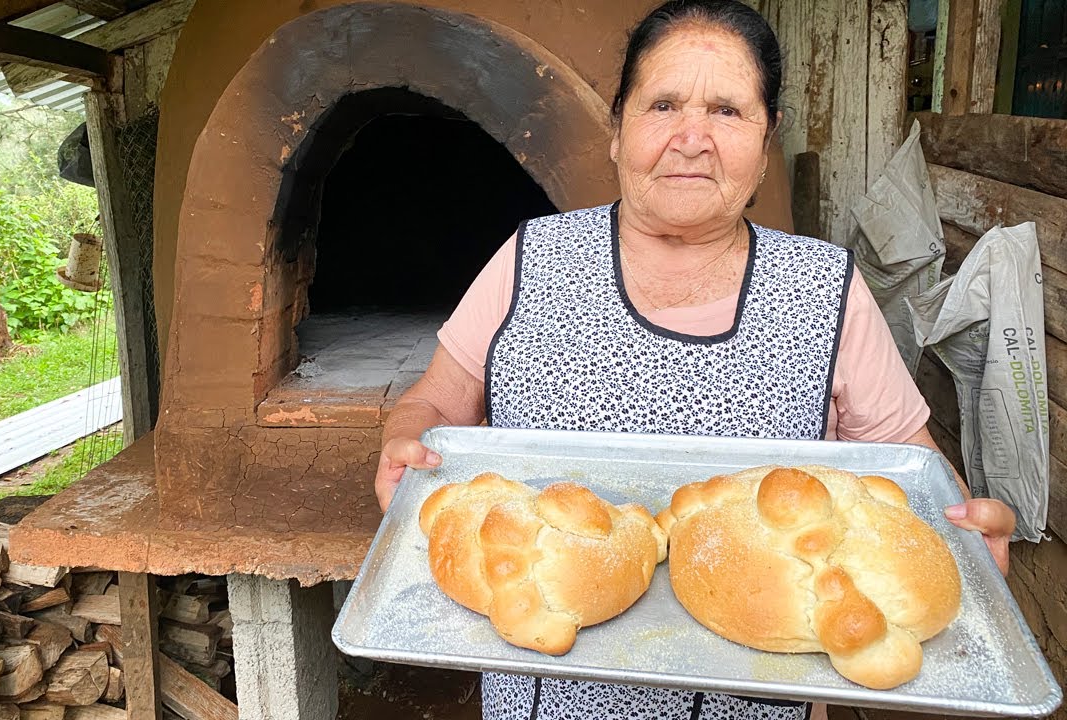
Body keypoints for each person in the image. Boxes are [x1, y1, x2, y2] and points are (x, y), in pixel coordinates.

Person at [373, 0, 1017, 717]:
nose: (692, 138)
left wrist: (960, 534)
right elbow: (436, 405)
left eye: (728, 111)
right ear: (618, 131)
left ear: (766, 136)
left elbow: (907, 472)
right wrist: (406, 442)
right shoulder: (530, 259)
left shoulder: (825, 289)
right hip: (541, 685)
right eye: (664, 104)